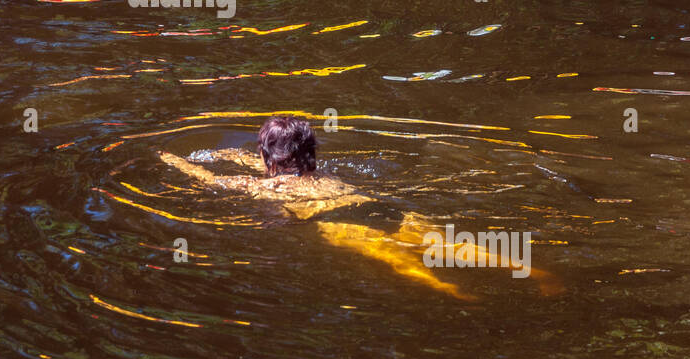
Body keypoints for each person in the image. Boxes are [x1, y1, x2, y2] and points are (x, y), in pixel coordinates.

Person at [158, 116, 559, 299]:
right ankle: (535, 271)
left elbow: (209, 179)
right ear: (311, 151)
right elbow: (269, 162)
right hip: (378, 208)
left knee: (402, 263)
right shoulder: (321, 175)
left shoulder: (267, 187)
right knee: (456, 245)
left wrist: (169, 158)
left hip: (341, 224)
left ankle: (452, 291)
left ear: (266, 159)